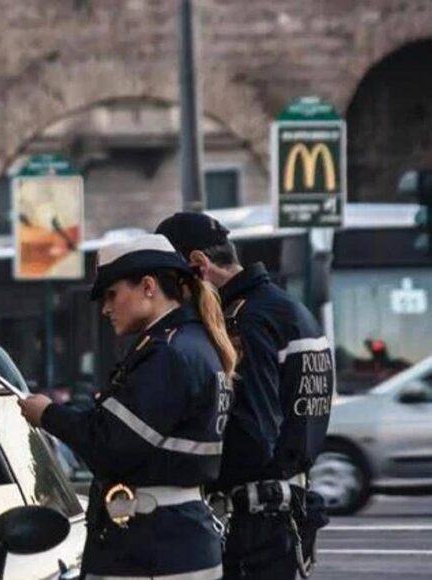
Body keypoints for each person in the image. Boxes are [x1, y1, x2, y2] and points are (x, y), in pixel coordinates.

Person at [19, 234, 237, 580]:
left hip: (150, 548)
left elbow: (112, 447)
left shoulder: (168, 354)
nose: (105, 308)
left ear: (148, 286)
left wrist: (48, 414)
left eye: (112, 294)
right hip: (179, 541)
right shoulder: (193, 345)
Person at [155, 212, 333, 579]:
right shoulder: (289, 310)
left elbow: (252, 435)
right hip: (287, 513)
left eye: (172, 283)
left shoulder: (244, 321)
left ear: (198, 265)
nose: (174, 300)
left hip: (254, 524)